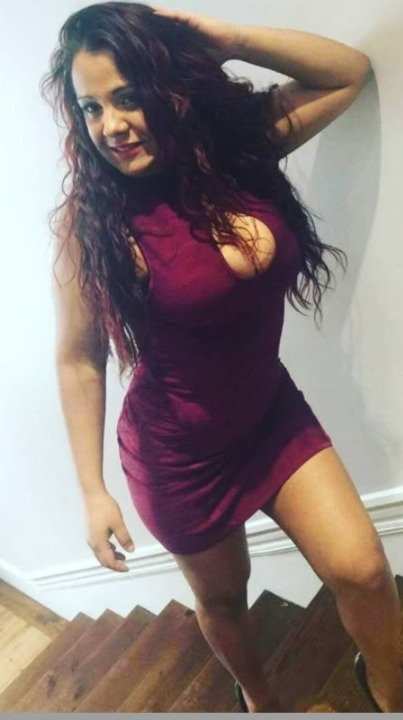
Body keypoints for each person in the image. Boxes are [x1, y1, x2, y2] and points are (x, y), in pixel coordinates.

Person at [44, 2, 403, 712]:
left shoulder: (236, 152)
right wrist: (91, 490)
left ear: (167, 87)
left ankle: (390, 694)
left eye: (127, 96)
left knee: (363, 571)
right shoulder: (92, 221)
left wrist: (230, 38)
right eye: (91, 108)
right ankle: (259, 700)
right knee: (225, 600)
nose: (111, 125)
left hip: (271, 415)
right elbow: (80, 360)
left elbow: (347, 74)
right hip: (178, 456)